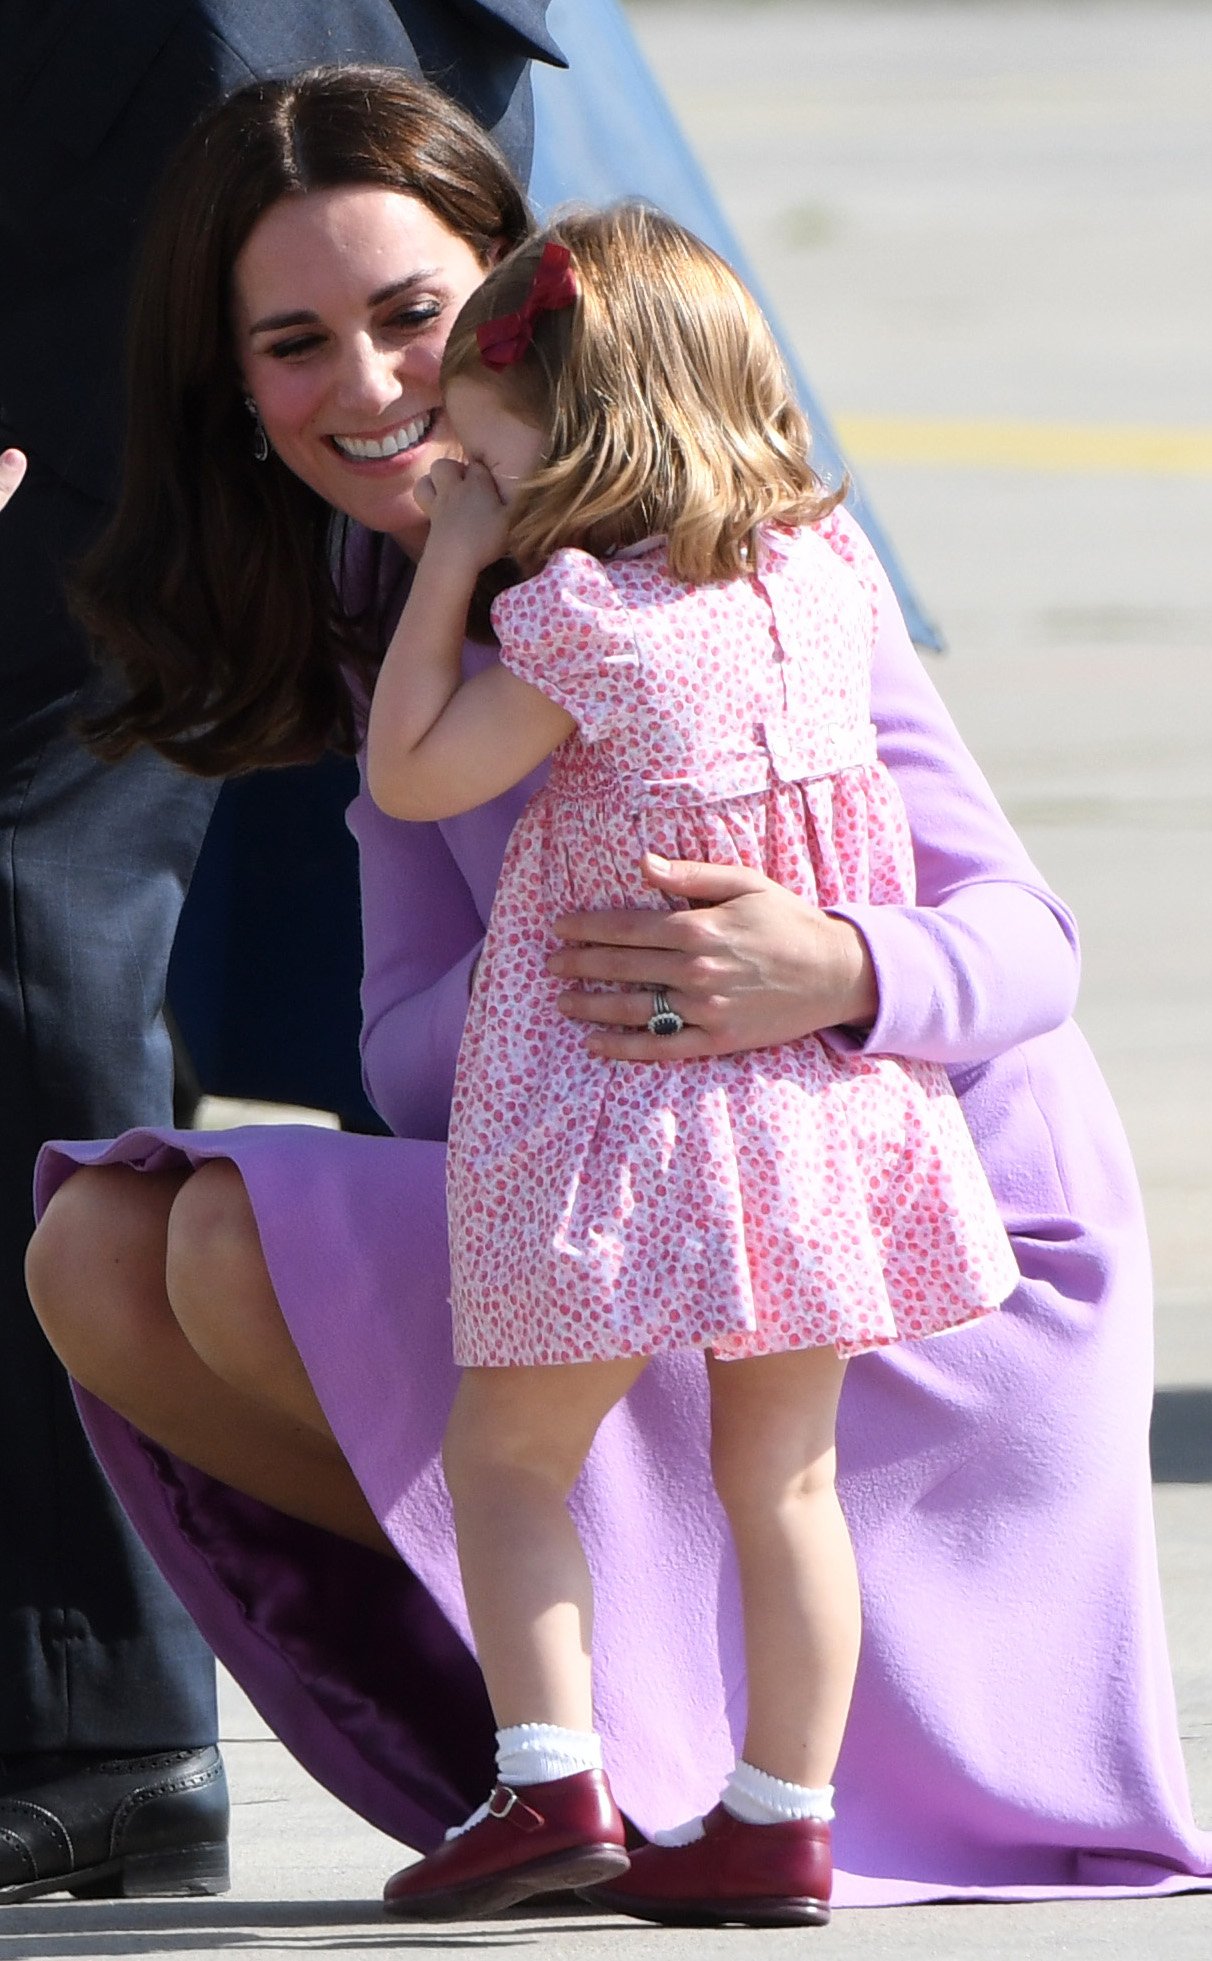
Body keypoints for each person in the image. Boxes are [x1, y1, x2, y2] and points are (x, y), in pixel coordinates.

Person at [23, 65, 1211, 1925]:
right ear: (233, 391)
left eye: (415, 315)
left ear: (521, 296)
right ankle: (589, 1753)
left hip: (917, 1234)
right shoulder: (388, 594)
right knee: (105, 1245)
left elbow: (1029, 945)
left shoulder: (753, 540)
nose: (374, 387)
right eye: (293, 342)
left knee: (232, 1253)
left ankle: (639, 1760)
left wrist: (828, 966)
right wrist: (594, 1004)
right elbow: (413, 1056)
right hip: (641, 1173)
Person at [364, 206, 1021, 1925]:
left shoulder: (582, 621)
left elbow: (422, 773)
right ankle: (779, 1818)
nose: (458, 469)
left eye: (484, 452)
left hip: (603, 1104)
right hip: (806, 1104)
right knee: (787, 1475)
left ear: (572, 444)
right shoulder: (823, 577)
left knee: (510, 1455)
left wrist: (455, 568)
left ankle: (547, 1787)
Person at [0, 2, 559, 1906]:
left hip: (161, 111)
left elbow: (986, 933)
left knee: (43, 911)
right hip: (285, 105)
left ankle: (129, 1705)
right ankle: (542, 1661)